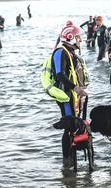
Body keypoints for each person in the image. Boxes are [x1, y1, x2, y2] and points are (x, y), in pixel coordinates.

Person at [49, 22, 88, 160]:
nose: (81, 40)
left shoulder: (71, 52)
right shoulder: (60, 52)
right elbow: (60, 75)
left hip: (73, 94)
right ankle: (67, 159)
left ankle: (71, 160)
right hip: (65, 95)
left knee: (74, 124)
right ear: (70, 37)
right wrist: (75, 88)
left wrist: (80, 90)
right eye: (78, 37)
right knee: (69, 125)